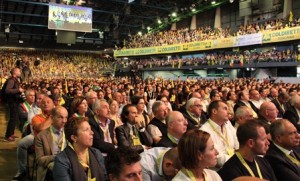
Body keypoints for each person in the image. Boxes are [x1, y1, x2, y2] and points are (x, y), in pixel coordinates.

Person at [53, 117, 106, 181]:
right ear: (74, 137)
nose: (92, 132)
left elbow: (104, 177)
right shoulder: (61, 160)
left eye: (90, 129)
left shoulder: (97, 153)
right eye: (86, 130)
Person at [200, 100, 239, 169]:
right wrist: (237, 160)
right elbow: (217, 158)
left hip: (235, 161)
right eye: (225, 109)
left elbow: (237, 141)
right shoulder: (204, 131)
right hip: (219, 168)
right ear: (214, 111)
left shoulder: (228, 124)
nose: (229, 112)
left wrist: (240, 155)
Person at [35, 106, 68, 181]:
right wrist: (57, 157)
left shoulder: (69, 133)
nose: (64, 121)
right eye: (60, 117)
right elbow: (40, 160)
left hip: (68, 164)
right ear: (52, 118)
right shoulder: (41, 136)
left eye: (66, 117)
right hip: (49, 169)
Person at [4, 67, 24, 142]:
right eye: (19, 71)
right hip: (12, 102)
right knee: (13, 119)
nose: (20, 72)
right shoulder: (11, 80)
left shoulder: (15, 80)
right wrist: (18, 90)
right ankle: (8, 135)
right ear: (15, 72)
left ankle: (11, 133)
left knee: (15, 119)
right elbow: (7, 90)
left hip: (15, 102)